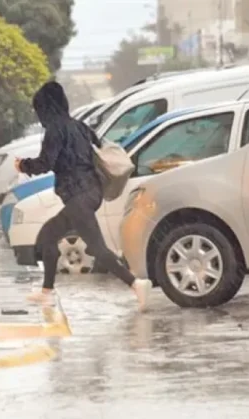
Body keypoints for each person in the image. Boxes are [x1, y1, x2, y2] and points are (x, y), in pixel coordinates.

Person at [15, 81, 152, 312]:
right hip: (91, 191)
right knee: (48, 235)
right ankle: (47, 292)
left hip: (78, 195)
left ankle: (136, 284)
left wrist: (23, 165)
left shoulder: (55, 130)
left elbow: (45, 162)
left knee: (97, 248)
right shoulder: (78, 126)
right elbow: (96, 147)